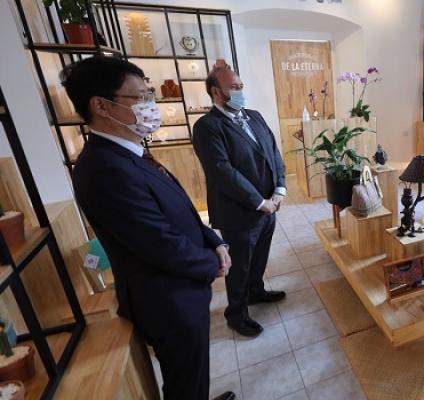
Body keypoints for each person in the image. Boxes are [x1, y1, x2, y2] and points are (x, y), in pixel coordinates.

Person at [65, 56, 235, 400]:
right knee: (184, 383)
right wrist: (212, 264)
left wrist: (214, 241)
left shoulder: (130, 152)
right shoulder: (104, 169)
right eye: (140, 97)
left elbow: (182, 209)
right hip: (167, 300)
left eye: (149, 95)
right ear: (101, 105)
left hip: (181, 287)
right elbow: (159, 242)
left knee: (194, 373)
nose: (150, 105)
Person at [193, 67, 287, 338]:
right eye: (234, 87)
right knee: (240, 265)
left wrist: (279, 188)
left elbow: (273, 152)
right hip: (239, 212)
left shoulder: (254, 116)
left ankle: (256, 291)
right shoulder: (207, 127)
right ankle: (236, 313)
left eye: (241, 86)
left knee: (260, 255)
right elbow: (222, 171)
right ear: (216, 92)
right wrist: (259, 202)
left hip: (270, 206)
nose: (240, 91)